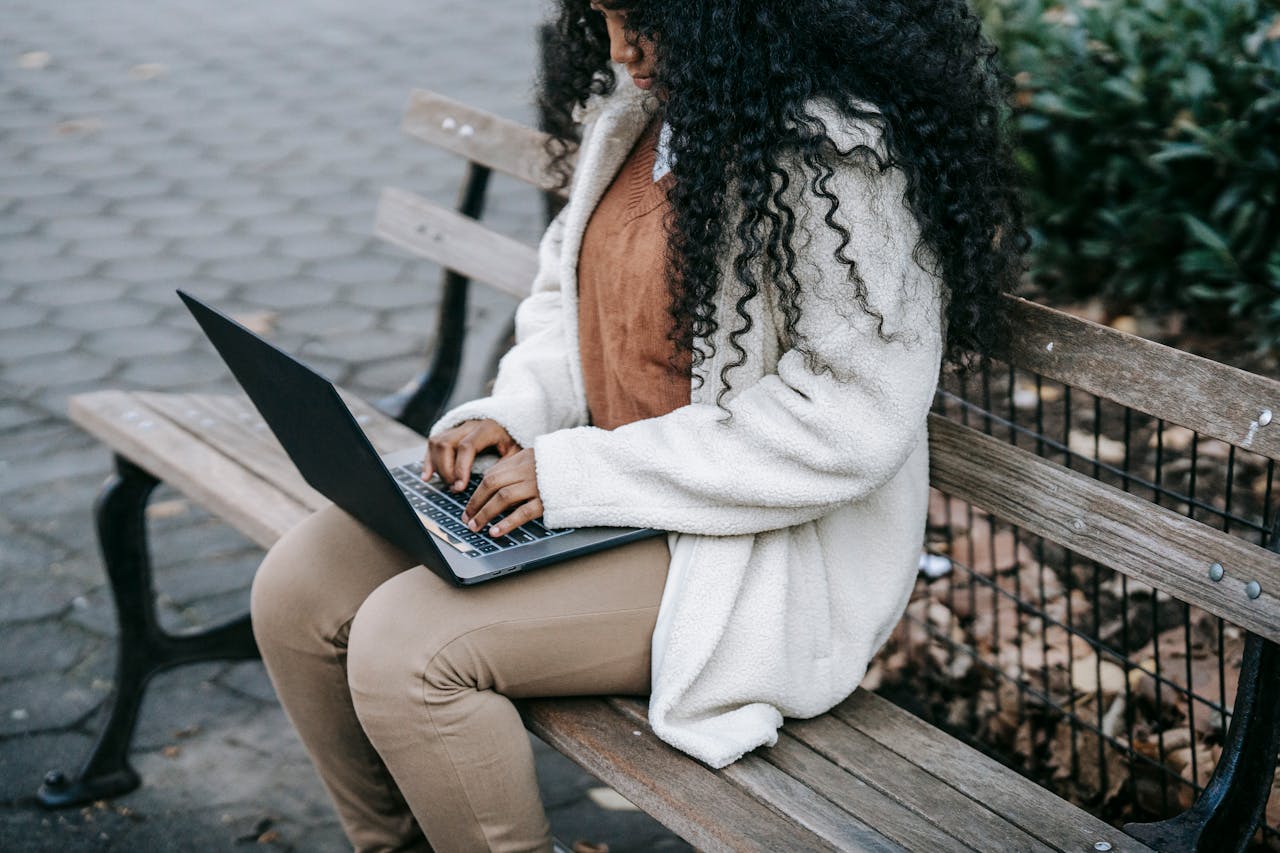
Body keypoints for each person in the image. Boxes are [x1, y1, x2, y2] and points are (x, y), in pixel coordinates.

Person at [249, 0, 1030, 850]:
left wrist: (578, 473)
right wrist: (510, 418)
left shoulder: (840, 160)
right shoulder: (635, 119)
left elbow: (848, 421)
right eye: (603, 16)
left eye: (645, 17)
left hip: (748, 545)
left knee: (408, 648)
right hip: (600, 489)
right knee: (298, 587)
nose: (623, 51)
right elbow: (563, 302)